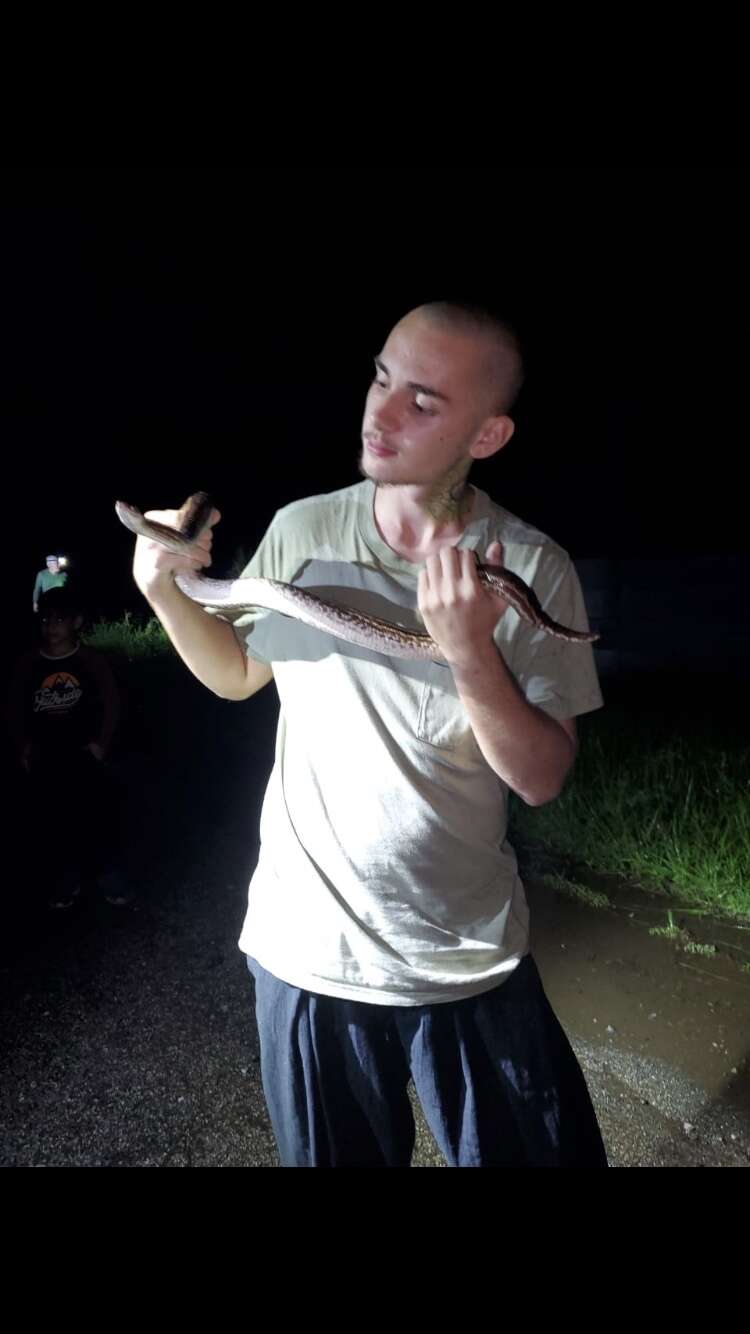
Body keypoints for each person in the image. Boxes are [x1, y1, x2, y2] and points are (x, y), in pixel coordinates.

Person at [129, 300, 608, 1167]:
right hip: (306, 952)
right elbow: (238, 674)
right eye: (381, 378)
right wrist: (167, 590)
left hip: (463, 959)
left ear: (489, 434)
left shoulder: (528, 567)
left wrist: (469, 653)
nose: (380, 414)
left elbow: (540, 779)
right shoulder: (307, 529)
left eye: (423, 401)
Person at [8, 584, 128, 910]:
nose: (51, 626)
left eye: (59, 619)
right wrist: (23, 746)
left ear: (76, 623)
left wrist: (101, 743)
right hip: (47, 755)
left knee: (98, 817)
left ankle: (108, 875)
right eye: (46, 619)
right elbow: (16, 706)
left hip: (85, 754)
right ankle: (67, 879)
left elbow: (111, 701)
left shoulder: (89, 660)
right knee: (55, 820)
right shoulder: (29, 663)